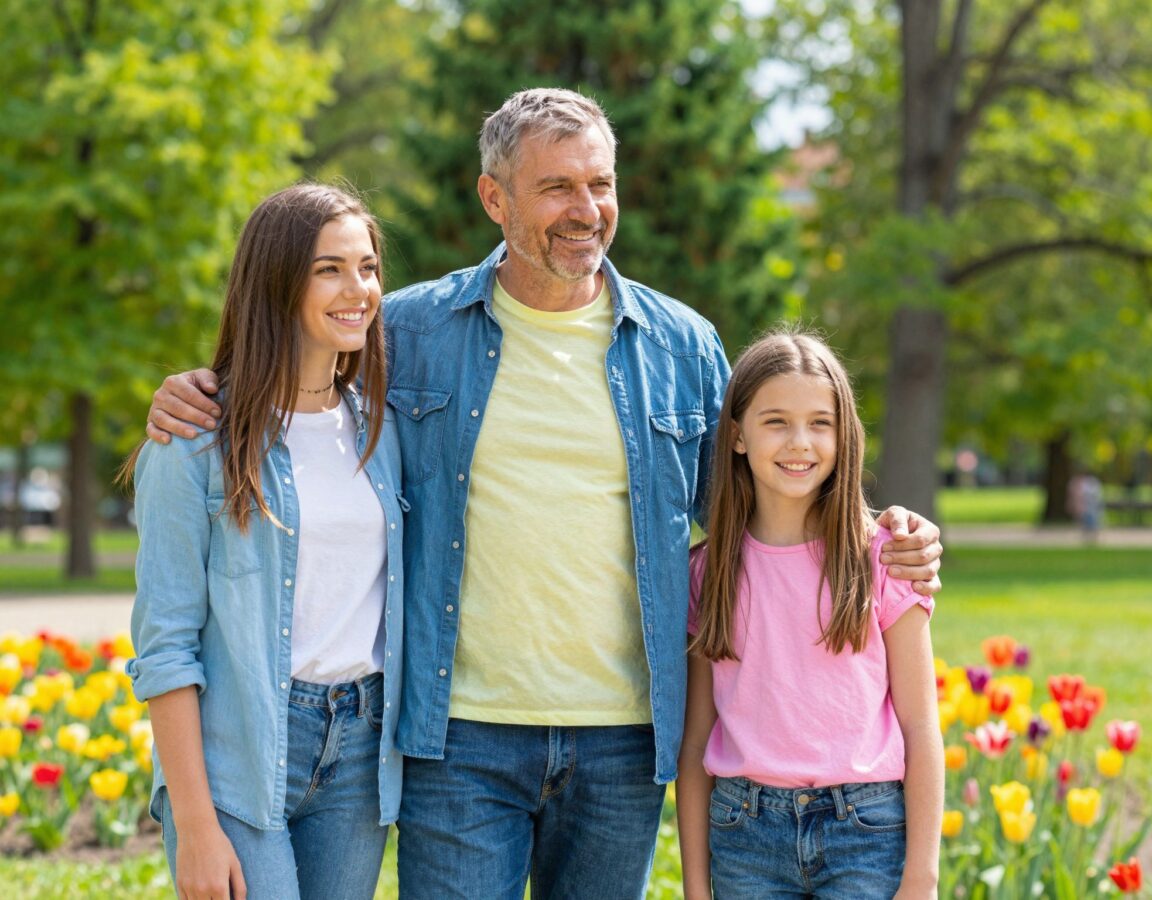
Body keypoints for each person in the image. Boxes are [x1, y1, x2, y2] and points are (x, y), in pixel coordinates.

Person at [143, 89, 943, 898]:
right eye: (557, 186)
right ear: (495, 198)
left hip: (621, 743)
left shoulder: (680, 345)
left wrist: (884, 534)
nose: (586, 209)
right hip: (460, 741)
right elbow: (303, 371)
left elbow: (760, 496)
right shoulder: (410, 332)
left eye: (600, 184)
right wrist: (203, 389)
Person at [124, 184, 404, 900]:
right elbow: (165, 648)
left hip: (359, 748)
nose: (359, 289)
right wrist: (193, 823)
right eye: (329, 269)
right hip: (242, 753)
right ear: (276, 281)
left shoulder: (385, 427)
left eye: (368, 267)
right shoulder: (192, 446)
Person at [677, 330, 942, 899]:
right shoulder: (707, 573)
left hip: (866, 834)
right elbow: (697, 739)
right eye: (776, 421)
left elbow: (922, 729)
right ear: (737, 436)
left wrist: (922, 877)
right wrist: (696, 888)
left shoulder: (886, 560)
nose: (800, 442)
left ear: (844, 437)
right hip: (743, 834)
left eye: (820, 423)